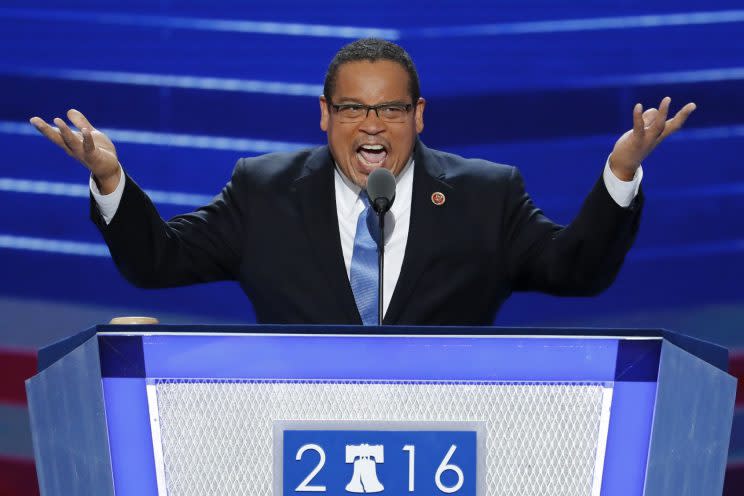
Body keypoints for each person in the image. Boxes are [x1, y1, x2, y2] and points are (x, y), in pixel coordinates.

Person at [29, 38, 696, 325]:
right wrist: (112, 180)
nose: (372, 124)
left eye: (391, 108)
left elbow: (574, 271)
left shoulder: (487, 195)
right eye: (353, 107)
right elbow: (158, 262)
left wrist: (620, 174)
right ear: (326, 117)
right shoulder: (264, 191)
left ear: (418, 116)